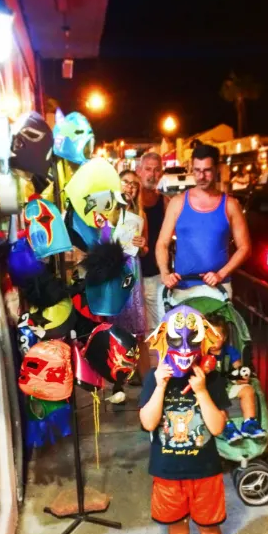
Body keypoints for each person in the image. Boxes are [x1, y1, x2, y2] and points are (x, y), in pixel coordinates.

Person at [139, 306, 232, 534]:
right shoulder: (155, 380)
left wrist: (204, 391)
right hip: (167, 472)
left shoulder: (213, 378)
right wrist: (161, 385)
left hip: (205, 471)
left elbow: (217, 426)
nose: (183, 350)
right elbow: (149, 423)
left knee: (209, 527)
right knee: (176, 525)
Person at [156, 144, 251, 301]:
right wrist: (165, 274)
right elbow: (162, 244)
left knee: (217, 327)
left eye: (207, 170)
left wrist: (221, 274)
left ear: (216, 169)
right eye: (197, 170)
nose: (201, 176)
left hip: (218, 289)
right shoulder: (177, 202)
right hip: (183, 288)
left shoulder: (230, 205)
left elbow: (245, 248)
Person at [108, 170, 148, 403]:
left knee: (138, 329)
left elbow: (145, 249)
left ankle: (147, 383)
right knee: (115, 328)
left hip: (132, 270)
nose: (130, 187)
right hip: (114, 271)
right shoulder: (108, 211)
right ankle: (117, 384)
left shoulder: (139, 214)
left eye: (134, 184)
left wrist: (142, 245)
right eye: (126, 182)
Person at [206, 313, 266, 443]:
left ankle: (249, 423)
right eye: (208, 337)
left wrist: (241, 376)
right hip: (212, 388)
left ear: (225, 337)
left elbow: (238, 368)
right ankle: (227, 425)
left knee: (248, 390)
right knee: (212, 393)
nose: (212, 341)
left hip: (228, 385)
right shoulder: (202, 353)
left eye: (216, 337)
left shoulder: (230, 351)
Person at [137, 152, 166, 374]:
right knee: (135, 329)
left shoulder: (165, 202)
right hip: (132, 274)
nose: (152, 173)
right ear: (139, 170)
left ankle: (160, 374)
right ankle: (139, 374)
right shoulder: (127, 201)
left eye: (156, 169)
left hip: (156, 275)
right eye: (148, 168)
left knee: (158, 328)